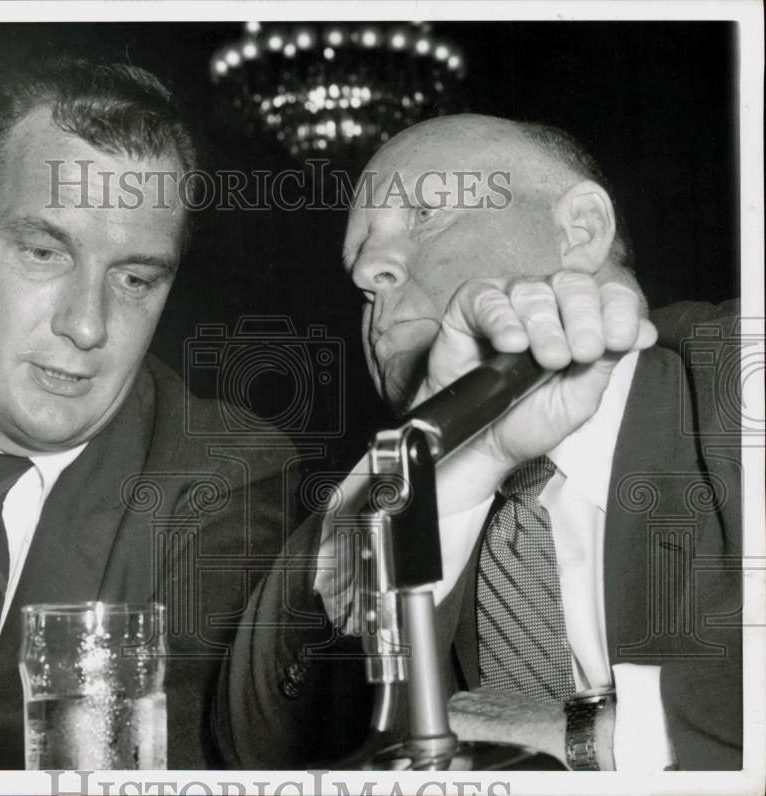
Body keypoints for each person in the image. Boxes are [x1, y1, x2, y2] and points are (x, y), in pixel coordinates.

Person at [0, 58, 296, 770]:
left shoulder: (229, 473)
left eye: (134, 278)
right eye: (43, 251)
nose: (89, 325)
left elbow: (209, 711)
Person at [218, 114, 742, 771]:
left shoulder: (736, 374)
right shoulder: (375, 504)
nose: (368, 272)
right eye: (358, 262)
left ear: (579, 230)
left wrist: (600, 732)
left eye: (427, 214)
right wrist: (448, 469)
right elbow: (260, 751)